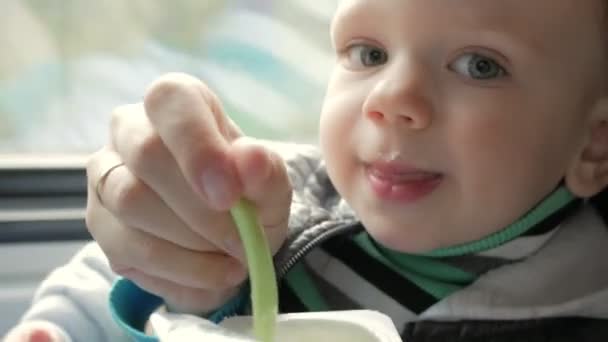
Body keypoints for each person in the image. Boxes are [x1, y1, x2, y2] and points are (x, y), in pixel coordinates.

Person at [6, 0, 608, 340]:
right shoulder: (269, 202)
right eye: (368, 54)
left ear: (593, 147)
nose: (391, 98)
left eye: (479, 66)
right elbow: (100, 297)